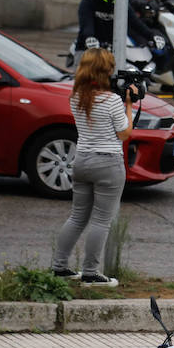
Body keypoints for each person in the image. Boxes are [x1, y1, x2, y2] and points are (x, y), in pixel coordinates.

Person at [49, 46, 139, 287]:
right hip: (108, 163)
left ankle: (59, 267)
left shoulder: (76, 96)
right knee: (101, 220)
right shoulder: (111, 100)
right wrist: (129, 105)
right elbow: (124, 134)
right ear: (104, 71)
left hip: (82, 160)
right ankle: (90, 273)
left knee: (77, 217)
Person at [76, 0, 155, 52]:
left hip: (112, 50)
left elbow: (136, 24)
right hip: (87, 49)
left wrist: (152, 36)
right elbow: (86, 26)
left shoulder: (122, 4)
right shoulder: (88, 3)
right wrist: (90, 38)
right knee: (86, 67)